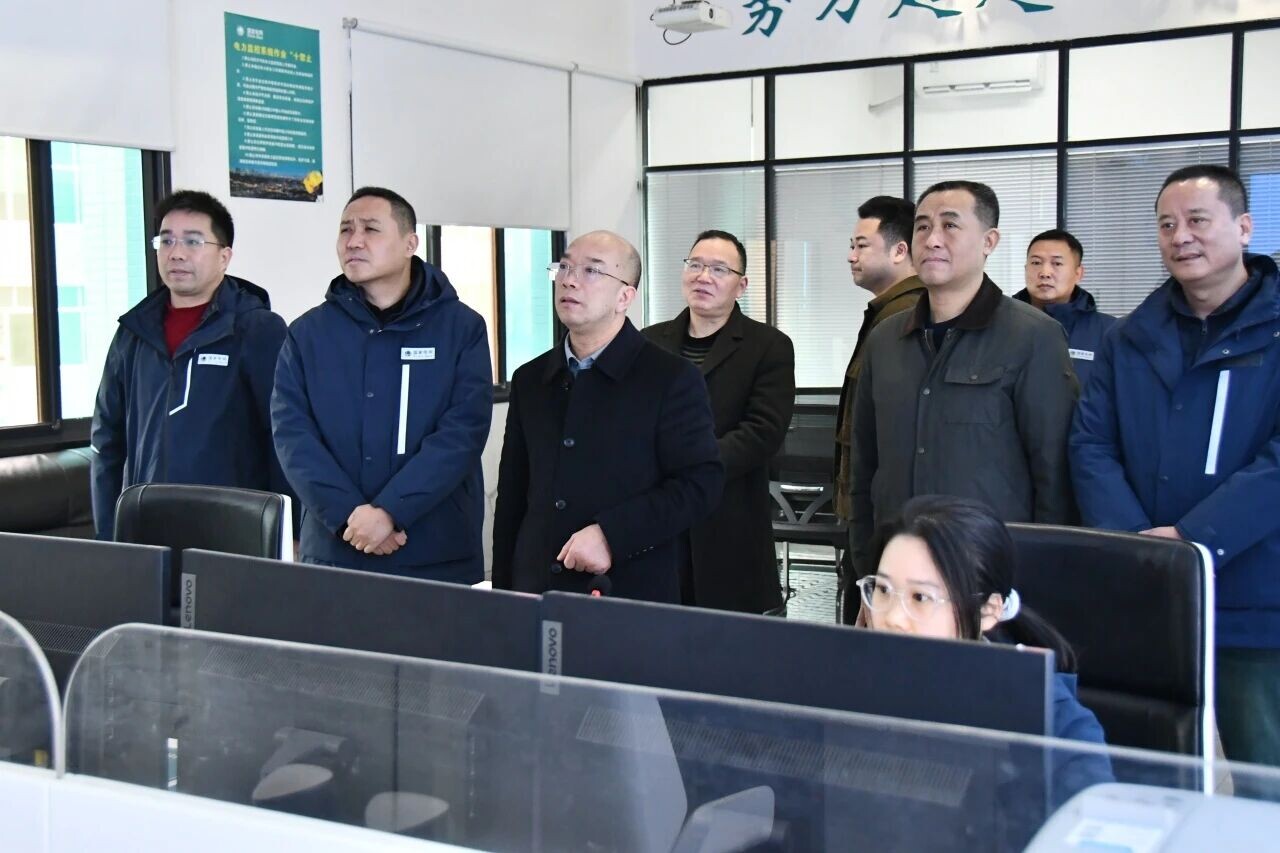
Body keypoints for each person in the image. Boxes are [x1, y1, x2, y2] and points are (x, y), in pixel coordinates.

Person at [1070, 164, 1280, 770]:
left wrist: (1194, 539)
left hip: (1255, 600)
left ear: (1244, 228)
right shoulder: (1130, 336)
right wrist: (1138, 543)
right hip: (1150, 593)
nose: (1180, 236)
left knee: (1263, 775)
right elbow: (1091, 444)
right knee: (1147, 770)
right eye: (1166, 225)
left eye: (1197, 220)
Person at [847, 180, 1078, 582]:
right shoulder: (885, 340)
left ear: (989, 241)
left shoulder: (1034, 337)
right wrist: (867, 567)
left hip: (986, 574)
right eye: (922, 227)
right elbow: (864, 465)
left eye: (950, 226)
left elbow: (1054, 477)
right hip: (894, 572)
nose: (932, 239)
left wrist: (1038, 582)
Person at [271, 187, 492, 582]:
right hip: (338, 547)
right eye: (345, 229)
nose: (354, 241)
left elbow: (463, 433)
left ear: (410, 244)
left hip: (434, 550)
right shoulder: (307, 334)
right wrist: (348, 515)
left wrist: (391, 511)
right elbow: (293, 437)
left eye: (371, 229)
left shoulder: (461, 328)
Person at [492, 230, 723, 602]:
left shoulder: (670, 378)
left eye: (591, 271)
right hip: (535, 588)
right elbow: (513, 497)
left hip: (629, 590)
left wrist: (612, 534)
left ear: (624, 297)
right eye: (564, 267)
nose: (569, 280)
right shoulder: (531, 379)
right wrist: (503, 597)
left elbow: (700, 485)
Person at [854, 494, 1112, 822]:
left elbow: (1090, 826)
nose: (892, 617)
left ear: (988, 610)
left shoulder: (1048, 715)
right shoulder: (848, 687)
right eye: (883, 590)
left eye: (920, 597)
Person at [90, 190, 289, 538]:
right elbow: (107, 441)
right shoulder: (133, 333)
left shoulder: (257, 329)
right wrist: (108, 535)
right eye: (166, 241)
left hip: (234, 528)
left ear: (224, 257)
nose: (176, 253)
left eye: (193, 241)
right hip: (147, 525)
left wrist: (288, 530)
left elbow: (283, 436)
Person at [643, 229, 795, 613]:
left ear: (741, 285)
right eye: (695, 265)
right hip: (658, 517)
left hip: (729, 517)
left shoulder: (769, 346)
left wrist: (692, 465)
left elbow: (762, 431)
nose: (703, 277)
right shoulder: (648, 343)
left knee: (727, 637)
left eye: (719, 269)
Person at [835, 196, 926, 523]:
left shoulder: (907, 314)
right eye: (852, 246)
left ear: (900, 250)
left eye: (861, 246)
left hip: (888, 510)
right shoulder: (888, 311)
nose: (851, 256)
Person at [1013, 229, 1117, 387]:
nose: (1045, 273)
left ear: (1078, 274)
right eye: (1036, 263)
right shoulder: (1000, 324)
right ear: (1026, 269)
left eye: (1057, 263)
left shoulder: (1110, 332)